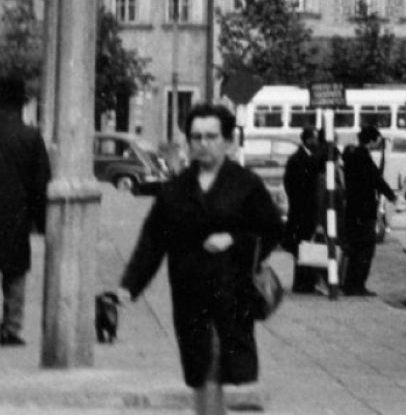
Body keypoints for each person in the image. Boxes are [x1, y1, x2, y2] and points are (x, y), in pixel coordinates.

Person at [119, 103, 281, 415]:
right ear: (187, 141)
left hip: (233, 292)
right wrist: (129, 286)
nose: (203, 144)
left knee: (224, 368)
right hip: (189, 292)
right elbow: (152, 240)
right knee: (202, 367)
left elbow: (272, 229)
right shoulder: (175, 190)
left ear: (227, 141)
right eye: (196, 137)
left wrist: (233, 239)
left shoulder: (245, 184)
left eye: (211, 136)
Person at [0, 75, 51, 347]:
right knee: (15, 271)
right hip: (15, 216)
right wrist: (43, 223)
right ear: (21, 103)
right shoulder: (30, 137)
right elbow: (41, 184)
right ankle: (11, 326)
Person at [338, 125, 396, 297]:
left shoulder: (351, 155)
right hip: (364, 209)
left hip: (352, 209)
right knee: (365, 250)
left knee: (354, 248)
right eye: (377, 141)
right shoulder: (363, 156)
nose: (378, 144)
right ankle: (357, 285)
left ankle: (349, 283)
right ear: (371, 140)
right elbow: (376, 179)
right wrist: (391, 196)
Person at [282, 127, 325, 295]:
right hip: (301, 211)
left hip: (305, 210)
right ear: (307, 140)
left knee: (305, 246)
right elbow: (291, 183)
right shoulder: (298, 159)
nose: (316, 142)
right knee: (302, 246)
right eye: (314, 139)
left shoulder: (307, 157)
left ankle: (306, 282)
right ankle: (302, 284)